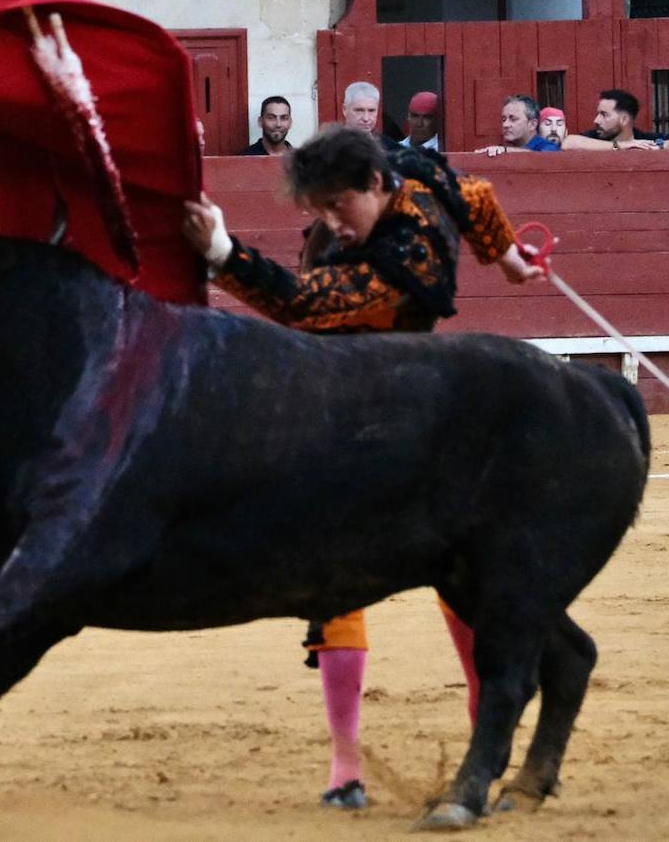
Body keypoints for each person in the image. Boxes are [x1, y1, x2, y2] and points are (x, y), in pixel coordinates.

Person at [182, 125, 541, 812]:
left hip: (387, 401)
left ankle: (483, 749)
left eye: (338, 207)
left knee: (464, 579)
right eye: (316, 210)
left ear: (376, 186)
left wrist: (224, 253)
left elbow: (302, 304)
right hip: (340, 396)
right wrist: (508, 260)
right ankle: (344, 763)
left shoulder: (412, 260)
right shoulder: (413, 169)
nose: (330, 223)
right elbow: (476, 194)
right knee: (335, 579)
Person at [561, 89, 669, 151]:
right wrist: (621, 146)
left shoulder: (646, 141)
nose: (597, 120)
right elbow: (568, 143)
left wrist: (662, 145)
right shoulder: (593, 138)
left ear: (624, 119)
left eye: (604, 114)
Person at [479, 95, 562, 156]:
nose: (505, 125)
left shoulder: (548, 147)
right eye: (504, 119)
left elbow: (544, 158)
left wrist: (505, 150)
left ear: (532, 124)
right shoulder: (504, 148)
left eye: (513, 119)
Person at [341, 81, 402, 151]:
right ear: (345, 110)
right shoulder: (330, 149)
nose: (366, 118)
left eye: (371, 110)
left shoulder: (393, 149)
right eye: (359, 110)